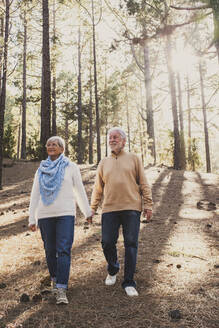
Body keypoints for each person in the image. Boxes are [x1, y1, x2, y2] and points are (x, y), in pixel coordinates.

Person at [28, 136, 92, 305]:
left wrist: (87, 212)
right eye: (48, 144)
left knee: (63, 250)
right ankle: (55, 281)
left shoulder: (71, 167)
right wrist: (31, 218)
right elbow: (35, 194)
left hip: (65, 214)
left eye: (54, 144)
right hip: (45, 215)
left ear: (62, 149)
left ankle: (62, 288)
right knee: (49, 250)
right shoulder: (41, 169)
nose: (50, 146)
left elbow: (79, 190)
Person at [90, 127, 153, 297]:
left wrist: (148, 205)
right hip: (109, 208)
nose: (112, 139)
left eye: (115, 137)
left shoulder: (134, 158)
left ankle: (129, 282)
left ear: (124, 141)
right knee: (107, 242)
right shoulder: (103, 162)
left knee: (131, 244)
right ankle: (113, 269)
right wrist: (93, 208)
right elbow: (98, 188)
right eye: (110, 137)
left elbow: (144, 183)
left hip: (131, 208)